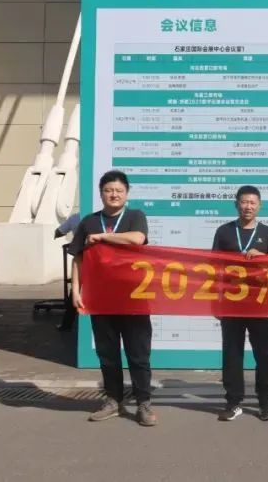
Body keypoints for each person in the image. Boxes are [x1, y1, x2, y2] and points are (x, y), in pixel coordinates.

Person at [69, 170, 154, 426]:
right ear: (101, 193)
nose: (113, 195)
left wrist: (104, 237)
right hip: (101, 299)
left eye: (118, 190)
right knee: (108, 354)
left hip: (134, 298)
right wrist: (76, 290)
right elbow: (79, 258)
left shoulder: (135, 216)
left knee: (138, 354)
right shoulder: (89, 221)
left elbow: (137, 239)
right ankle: (113, 401)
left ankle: (143, 403)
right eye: (108, 190)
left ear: (126, 193)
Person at [211, 185, 268, 422]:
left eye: (252, 202)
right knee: (232, 353)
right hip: (231, 303)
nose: (248, 206)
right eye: (244, 202)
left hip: (259, 302)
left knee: (265, 353)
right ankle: (233, 402)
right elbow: (214, 268)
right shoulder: (224, 231)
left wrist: (264, 257)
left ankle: (265, 403)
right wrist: (215, 302)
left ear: (259, 206)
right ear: (236, 204)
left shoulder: (267, 233)